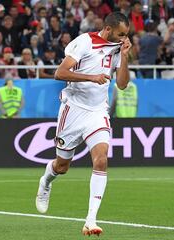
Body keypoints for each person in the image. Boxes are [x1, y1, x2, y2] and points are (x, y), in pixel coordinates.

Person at [35, 12, 131, 236]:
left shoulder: (118, 49)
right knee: (62, 166)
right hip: (73, 111)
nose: (124, 38)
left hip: (98, 112)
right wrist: (91, 77)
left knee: (101, 160)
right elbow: (60, 73)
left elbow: (123, 85)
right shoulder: (84, 42)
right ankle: (46, 181)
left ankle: (91, 220)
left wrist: (125, 56)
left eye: (126, 35)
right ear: (108, 30)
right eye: (121, 34)